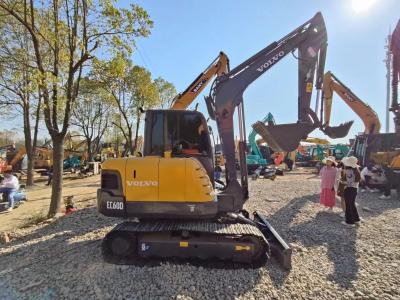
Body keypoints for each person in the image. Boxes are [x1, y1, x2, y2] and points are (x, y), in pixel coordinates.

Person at [340, 156, 361, 227]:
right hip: (355, 189)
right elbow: (355, 181)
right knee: (352, 204)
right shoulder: (356, 170)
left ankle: (350, 222)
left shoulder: (349, 171)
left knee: (348, 205)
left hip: (349, 189)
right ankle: (356, 219)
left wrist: (342, 182)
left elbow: (349, 182)